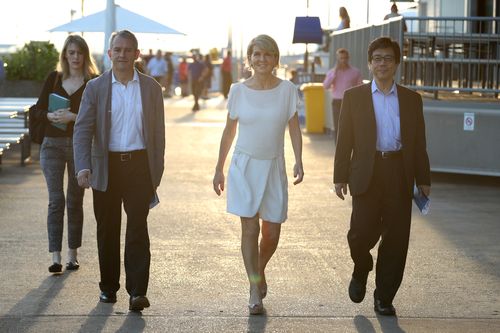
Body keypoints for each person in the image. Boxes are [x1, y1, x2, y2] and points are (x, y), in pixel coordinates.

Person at [333, 37, 431, 316]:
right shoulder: (354, 97)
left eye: (388, 58)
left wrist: (424, 179)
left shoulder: (412, 100)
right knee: (359, 233)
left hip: (399, 172)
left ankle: (384, 297)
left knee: (397, 238)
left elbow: (419, 143)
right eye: (377, 58)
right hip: (366, 172)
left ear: (397, 63)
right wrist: (339, 176)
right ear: (369, 63)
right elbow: (344, 140)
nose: (382, 63)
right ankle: (361, 266)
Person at [73, 30, 165, 312]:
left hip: (139, 166)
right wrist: (83, 165)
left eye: (128, 50)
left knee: (138, 226)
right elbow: (82, 129)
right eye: (117, 49)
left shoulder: (151, 88)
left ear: (137, 54)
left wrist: (155, 173)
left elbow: (158, 134)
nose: (122, 54)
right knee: (107, 228)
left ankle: (137, 291)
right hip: (106, 165)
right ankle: (108, 287)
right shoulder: (96, 87)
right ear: (109, 53)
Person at [213, 34, 304, 315]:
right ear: (249, 59)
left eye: (268, 54)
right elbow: (229, 131)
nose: (262, 59)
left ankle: (259, 269)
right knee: (249, 228)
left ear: (276, 59)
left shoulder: (288, 90)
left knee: (272, 233)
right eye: (257, 54)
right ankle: (254, 287)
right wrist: (219, 168)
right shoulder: (238, 91)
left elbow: (294, 128)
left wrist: (299, 161)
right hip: (244, 167)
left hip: (274, 166)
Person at [33, 35, 99, 274]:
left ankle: (73, 254)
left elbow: (99, 115)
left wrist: (74, 117)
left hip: (79, 147)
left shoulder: (93, 82)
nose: (75, 57)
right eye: (71, 53)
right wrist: (49, 116)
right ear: (65, 55)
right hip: (51, 145)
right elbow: (38, 110)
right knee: (56, 200)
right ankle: (55, 256)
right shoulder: (54, 79)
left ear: (85, 55)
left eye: (79, 53)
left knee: (74, 200)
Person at [322, 48, 362, 142]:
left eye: (345, 58)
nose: (343, 60)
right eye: (341, 58)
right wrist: (335, 73)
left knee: (350, 127)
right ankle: (338, 150)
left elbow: (360, 87)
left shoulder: (355, 72)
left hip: (351, 102)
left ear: (348, 58)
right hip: (337, 102)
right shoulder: (332, 72)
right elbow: (326, 86)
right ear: (338, 59)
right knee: (338, 126)